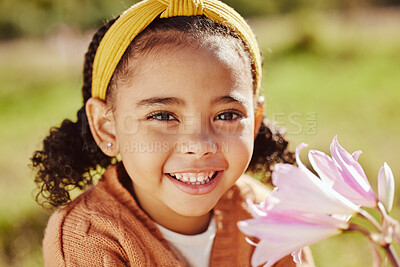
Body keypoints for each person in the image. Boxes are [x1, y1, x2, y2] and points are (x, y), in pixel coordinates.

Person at [31, 0, 314, 266]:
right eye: (163, 116)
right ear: (107, 128)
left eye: (227, 115)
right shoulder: (86, 237)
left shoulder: (273, 215)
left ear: (254, 122)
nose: (199, 145)